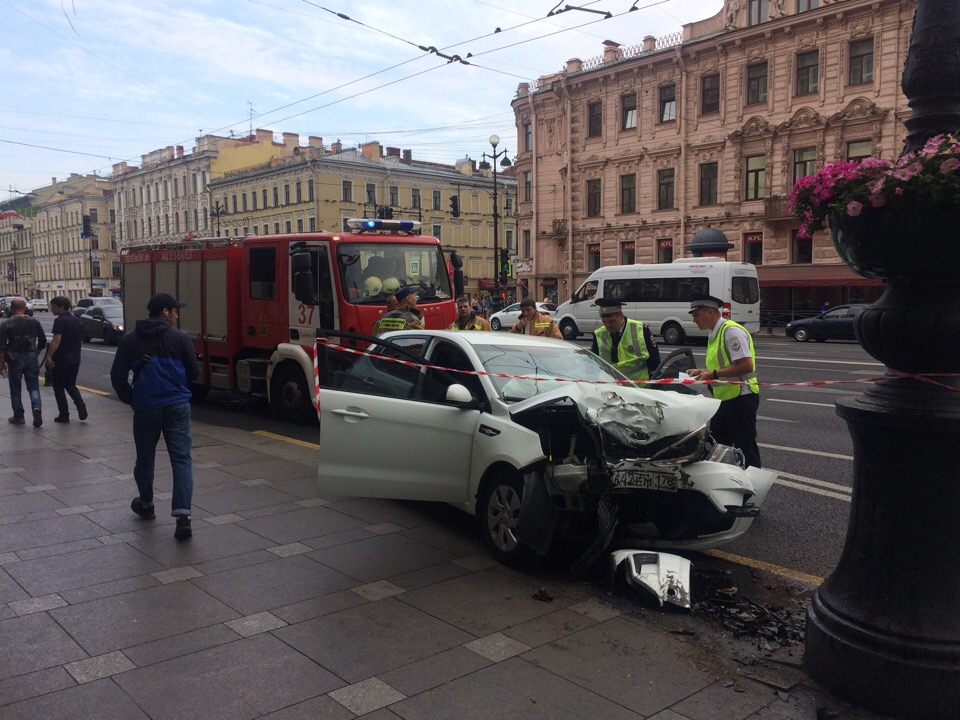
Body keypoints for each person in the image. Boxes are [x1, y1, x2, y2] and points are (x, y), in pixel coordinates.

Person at [110, 293, 200, 540]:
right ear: (164, 312)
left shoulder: (129, 339)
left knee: (145, 458)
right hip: (177, 406)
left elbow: (117, 377)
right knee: (181, 460)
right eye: (174, 310)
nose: (176, 315)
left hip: (146, 408)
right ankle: (183, 518)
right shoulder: (180, 338)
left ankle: (147, 505)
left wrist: (132, 398)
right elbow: (194, 373)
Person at [687, 292, 761, 468]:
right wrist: (702, 371)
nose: (694, 320)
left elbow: (746, 365)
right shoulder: (715, 333)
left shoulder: (731, 332)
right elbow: (724, 366)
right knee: (720, 447)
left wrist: (712, 374)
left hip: (741, 397)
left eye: (696, 315)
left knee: (746, 448)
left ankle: (754, 487)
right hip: (725, 399)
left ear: (710, 312)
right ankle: (726, 485)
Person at [0, 298, 47, 427]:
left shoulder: (6, 324)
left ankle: (19, 416)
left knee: (15, 387)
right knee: (33, 386)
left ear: (12, 309)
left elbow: (1, 346)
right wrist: (35, 353)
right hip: (31, 355)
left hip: (14, 358)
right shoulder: (34, 322)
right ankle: (36, 408)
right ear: (25, 308)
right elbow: (42, 341)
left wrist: (1, 363)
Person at [589, 299, 659, 384]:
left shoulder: (641, 330)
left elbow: (654, 361)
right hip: (610, 387)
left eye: (611, 321)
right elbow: (594, 364)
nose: (607, 325)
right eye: (604, 322)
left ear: (621, 316)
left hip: (638, 386)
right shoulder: (598, 335)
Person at [45, 296, 87, 423]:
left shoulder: (59, 321)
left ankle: (64, 414)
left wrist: (48, 356)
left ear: (61, 307)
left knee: (58, 387)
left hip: (61, 359)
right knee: (70, 384)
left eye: (53, 306)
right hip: (75, 358)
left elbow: (56, 340)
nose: (51, 309)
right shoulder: (76, 320)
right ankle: (80, 404)